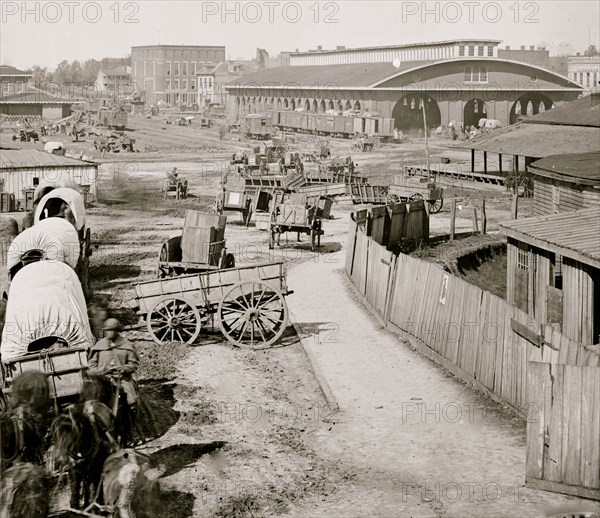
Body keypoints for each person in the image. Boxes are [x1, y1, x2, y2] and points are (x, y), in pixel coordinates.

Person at [88, 318, 140, 443]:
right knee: (92, 403)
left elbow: (133, 364)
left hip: (122, 379)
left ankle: (131, 428)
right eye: (106, 331)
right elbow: (91, 366)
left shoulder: (127, 346)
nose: (108, 333)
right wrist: (101, 372)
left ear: (117, 331)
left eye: (111, 330)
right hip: (102, 380)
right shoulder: (99, 346)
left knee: (131, 401)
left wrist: (124, 369)